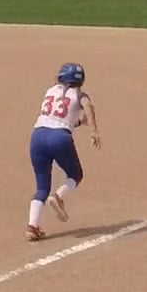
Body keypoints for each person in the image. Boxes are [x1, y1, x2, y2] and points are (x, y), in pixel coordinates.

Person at [25, 62, 102, 242]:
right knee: (75, 174)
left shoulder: (50, 91)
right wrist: (93, 130)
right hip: (60, 138)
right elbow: (87, 107)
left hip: (38, 136)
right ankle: (59, 196)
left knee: (42, 187)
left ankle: (32, 226)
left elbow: (58, 116)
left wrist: (77, 122)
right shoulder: (80, 94)